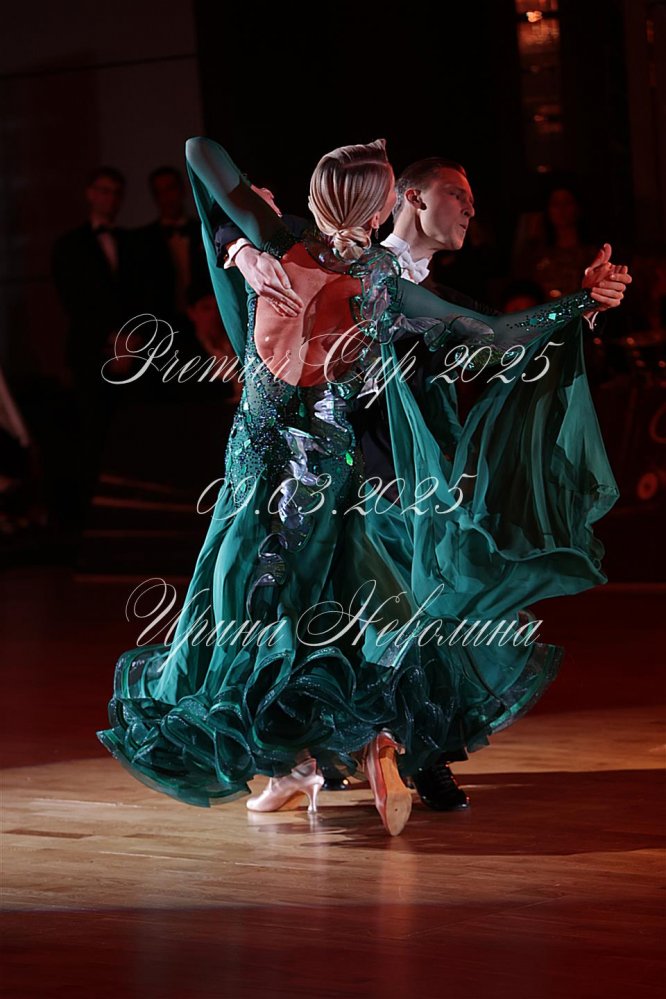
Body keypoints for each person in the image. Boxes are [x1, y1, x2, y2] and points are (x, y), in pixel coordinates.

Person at [97, 136, 622, 837]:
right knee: (321, 612)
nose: (470, 208)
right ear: (384, 209)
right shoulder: (382, 284)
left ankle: (315, 757)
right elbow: (495, 336)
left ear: (318, 196)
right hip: (328, 479)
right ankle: (327, 752)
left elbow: (199, 151)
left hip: (263, 477)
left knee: (254, 612)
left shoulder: (283, 241)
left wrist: (246, 243)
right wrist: (576, 302)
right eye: (457, 194)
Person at [52, 166, 141, 524]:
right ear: (90, 194)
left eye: (116, 193)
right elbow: (72, 301)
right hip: (91, 353)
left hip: (133, 351)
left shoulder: (132, 243)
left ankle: (131, 513)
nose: (110, 199)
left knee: (132, 434)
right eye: (104, 191)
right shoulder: (68, 245)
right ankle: (91, 519)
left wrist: (131, 340)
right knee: (92, 435)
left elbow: (142, 295)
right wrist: (111, 339)